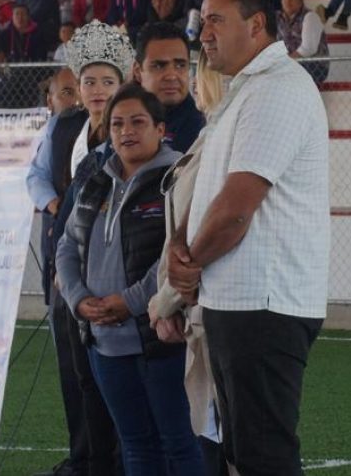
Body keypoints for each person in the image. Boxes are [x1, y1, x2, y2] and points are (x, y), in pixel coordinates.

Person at [167, 0, 329, 476]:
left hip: (263, 303)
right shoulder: (246, 91)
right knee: (245, 453)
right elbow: (212, 192)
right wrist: (183, 250)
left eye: (216, 19)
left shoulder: (277, 89)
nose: (203, 33)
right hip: (238, 301)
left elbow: (237, 207)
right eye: (203, 21)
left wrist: (188, 266)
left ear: (256, 25)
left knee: (263, 456)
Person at [56, 83, 204, 476]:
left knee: (180, 443)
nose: (126, 131)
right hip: (104, 342)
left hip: (163, 338)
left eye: (138, 122)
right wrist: (79, 300)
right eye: (117, 123)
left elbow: (178, 255)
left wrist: (131, 302)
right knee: (135, 444)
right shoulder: (95, 180)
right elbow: (67, 246)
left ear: (160, 129)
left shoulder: (177, 179)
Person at [27, 20, 134, 476]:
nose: (96, 90)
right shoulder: (64, 127)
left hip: (109, 271)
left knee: (107, 374)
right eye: (88, 82)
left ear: (122, 84)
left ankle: (114, 462)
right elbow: (37, 178)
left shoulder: (129, 132)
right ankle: (85, 458)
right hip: (64, 269)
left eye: (107, 82)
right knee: (73, 372)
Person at [147, 47, 226, 475]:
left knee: (231, 444)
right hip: (194, 305)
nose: (190, 81)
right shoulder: (208, 134)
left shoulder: (218, 140)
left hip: (210, 304)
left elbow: (199, 233)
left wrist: (164, 302)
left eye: (195, 71)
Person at [133, 22, 205, 152]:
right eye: (159, 66)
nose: (172, 76)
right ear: (138, 72)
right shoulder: (122, 120)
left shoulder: (202, 131)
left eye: (180, 65)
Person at [277, 0, 329, 85]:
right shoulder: (278, 19)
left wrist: (286, 62)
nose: (288, 1)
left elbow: (308, 48)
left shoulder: (310, 17)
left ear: (300, 1)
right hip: (289, 64)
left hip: (314, 65)